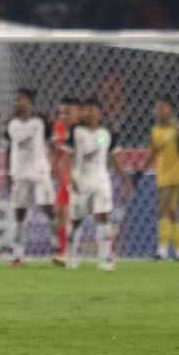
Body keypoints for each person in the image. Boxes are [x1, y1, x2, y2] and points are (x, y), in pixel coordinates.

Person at [65, 98, 129, 271]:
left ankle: (105, 259)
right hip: (81, 180)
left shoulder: (107, 133)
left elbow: (113, 157)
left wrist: (125, 179)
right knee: (76, 220)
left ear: (99, 112)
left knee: (103, 217)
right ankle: (71, 256)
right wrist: (70, 178)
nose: (87, 113)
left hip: (101, 180)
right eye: (85, 110)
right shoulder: (75, 132)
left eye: (91, 109)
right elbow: (68, 158)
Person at [134, 96, 179, 261]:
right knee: (172, 211)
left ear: (170, 109)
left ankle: (162, 249)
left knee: (162, 209)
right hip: (162, 174)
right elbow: (153, 152)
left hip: (176, 174)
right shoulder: (155, 131)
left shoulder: (178, 129)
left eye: (163, 107)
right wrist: (142, 170)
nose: (159, 111)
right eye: (157, 108)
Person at [4, 88, 54, 266]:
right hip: (19, 173)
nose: (17, 103)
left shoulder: (42, 122)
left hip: (40, 172)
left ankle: (58, 250)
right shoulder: (10, 123)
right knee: (19, 213)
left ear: (29, 102)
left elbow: (52, 143)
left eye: (20, 99)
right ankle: (17, 255)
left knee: (48, 208)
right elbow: (9, 150)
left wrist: (52, 165)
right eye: (15, 100)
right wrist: (8, 173)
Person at [50, 97, 79, 266]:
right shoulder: (59, 128)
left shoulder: (83, 130)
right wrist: (54, 166)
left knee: (99, 215)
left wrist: (99, 142)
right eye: (60, 112)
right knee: (62, 212)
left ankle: (108, 252)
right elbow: (59, 151)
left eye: (67, 112)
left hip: (85, 177)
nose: (63, 116)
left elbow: (102, 141)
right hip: (66, 177)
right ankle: (63, 251)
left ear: (77, 113)